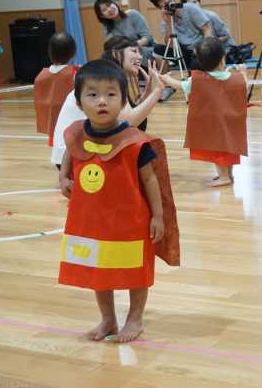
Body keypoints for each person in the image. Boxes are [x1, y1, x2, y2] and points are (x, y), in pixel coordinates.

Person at [58, 59, 178, 343]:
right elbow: (70, 153)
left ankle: (135, 318)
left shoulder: (134, 141)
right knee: (98, 270)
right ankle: (108, 319)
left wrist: (158, 216)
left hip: (130, 223)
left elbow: (151, 180)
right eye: (93, 94)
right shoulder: (76, 133)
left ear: (123, 100)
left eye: (111, 94)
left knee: (135, 271)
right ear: (79, 102)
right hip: (92, 223)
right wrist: (63, 177)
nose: (102, 101)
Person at [51, 37, 164, 167]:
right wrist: (157, 92)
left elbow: (130, 122)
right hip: (72, 156)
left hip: (80, 149)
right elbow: (129, 122)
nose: (140, 57)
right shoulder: (106, 79)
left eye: (140, 52)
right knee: (145, 147)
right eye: (134, 51)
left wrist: (149, 93)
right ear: (115, 53)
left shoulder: (111, 77)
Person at [160, 37, 247, 187]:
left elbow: (179, 85)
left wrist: (165, 78)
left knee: (218, 149)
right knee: (229, 148)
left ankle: (224, 177)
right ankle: (228, 174)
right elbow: (244, 83)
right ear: (223, 57)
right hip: (232, 121)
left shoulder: (197, 80)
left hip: (214, 123)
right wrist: (243, 71)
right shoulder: (234, 77)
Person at [148, 0, 214, 70]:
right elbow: (171, 46)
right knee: (158, 49)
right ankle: (163, 77)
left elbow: (207, 30)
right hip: (185, 53)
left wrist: (203, 48)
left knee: (196, 64)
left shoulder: (190, 8)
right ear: (158, 6)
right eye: (161, 0)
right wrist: (169, 23)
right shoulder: (165, 23)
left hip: (201, 49)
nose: (166, 1)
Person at [34, 32, 78, 147]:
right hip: (72, 121)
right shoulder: (75, 73)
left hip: (53, 122)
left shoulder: (41, 75)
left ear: (50, 53)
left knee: (58, 147)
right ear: (73, 53)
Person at [94, 0, 155, 66]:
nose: (109, 9)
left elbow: (148, 37)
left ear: (114, 4)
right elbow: (114, 49)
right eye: (104, 10)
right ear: (102, 16)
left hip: (147, 52)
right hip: (127, 60)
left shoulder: (133, 15)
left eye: (109, 5)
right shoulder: (107, 29)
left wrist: (133, 46)